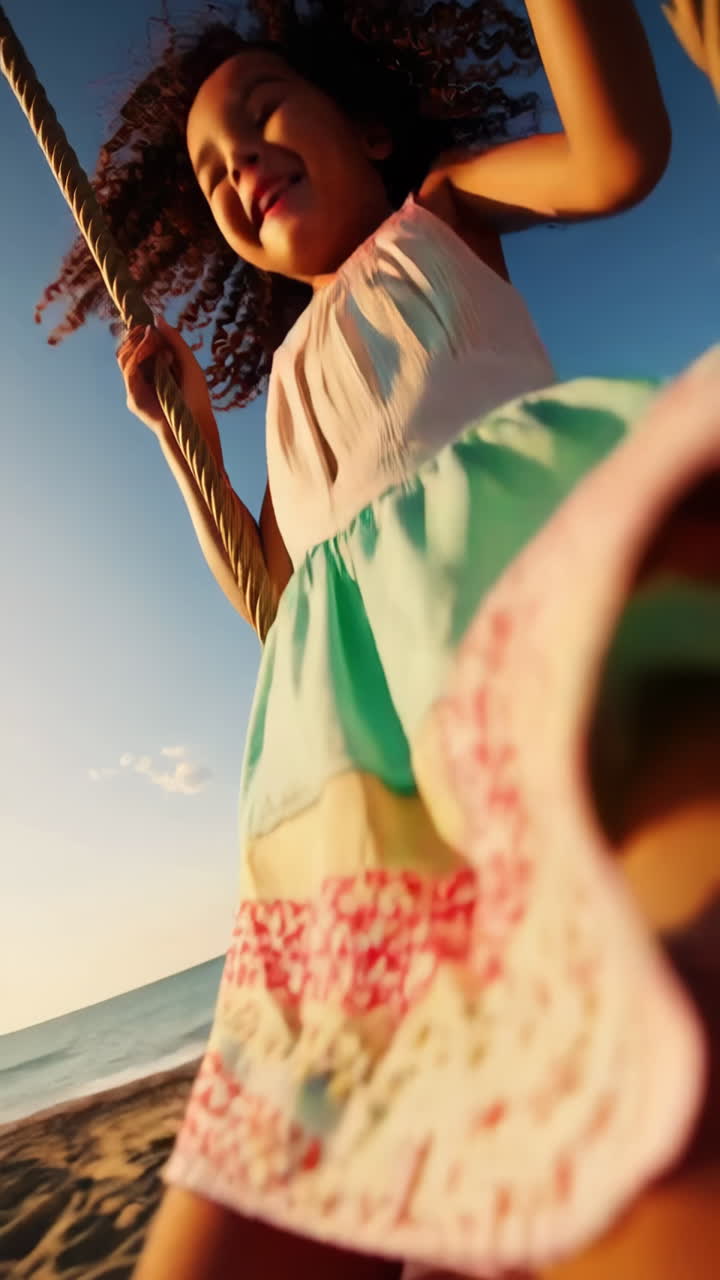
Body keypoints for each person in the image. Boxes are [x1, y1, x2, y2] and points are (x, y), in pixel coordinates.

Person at [40, 3, 719, 1277]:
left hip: (554, 690)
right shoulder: (289, 376)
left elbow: (618, 155)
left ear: (363, 123)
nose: (238, 162)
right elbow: (279, 604)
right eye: (209, 171)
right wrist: (182, 438)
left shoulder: (442, 219)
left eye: (261, 115)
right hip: (374, 810)